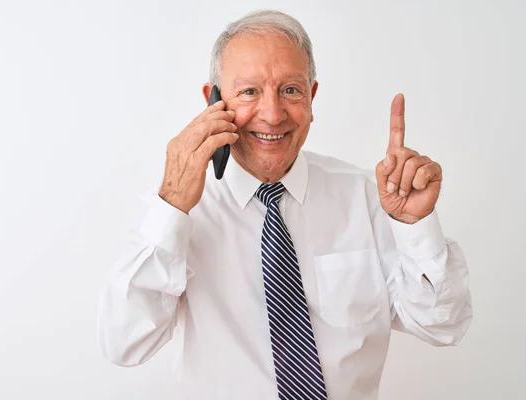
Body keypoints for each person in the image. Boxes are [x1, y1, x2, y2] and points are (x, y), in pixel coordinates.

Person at [96, 10, 472, 400]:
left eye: (290, 90)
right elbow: (124, 344)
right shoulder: (172, 210)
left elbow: (444, 326)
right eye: (249, 92)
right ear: (213, 100)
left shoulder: (370, 197)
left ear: (311, 97)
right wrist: (173, 206)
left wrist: (415, 226)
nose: (273, 115)